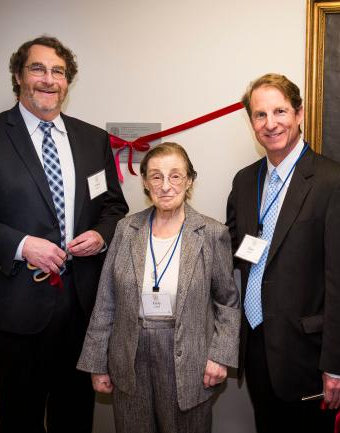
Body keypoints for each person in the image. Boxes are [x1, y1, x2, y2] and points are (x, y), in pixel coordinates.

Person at [0, 36, 128, 433]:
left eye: (58, 72)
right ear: (18, 76)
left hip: (81, 306)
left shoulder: (92, 139)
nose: (49, 80)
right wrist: (22, 245)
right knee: (20, 414)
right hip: (14, 305)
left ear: (68, 82)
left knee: (75, 412)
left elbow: (115, 207)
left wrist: (100, 234)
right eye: (38, 69)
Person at [227, 73, 340, 433]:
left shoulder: (335, 182)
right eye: (260, 115)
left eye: (280, 111)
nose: (270, 124)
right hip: (256, 344)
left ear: (299, 113)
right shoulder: (244, 181)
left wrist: (338, 364)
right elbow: (231, 252)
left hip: (308, 353)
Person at [77, 142, 240, 433]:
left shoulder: (212, 233)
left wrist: (219, 356)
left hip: (190, 359)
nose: (166, 185)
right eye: (156, 176)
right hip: (130, 358)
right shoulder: (126, 230)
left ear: (189, 180)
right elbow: (106, 300)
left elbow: (227, 302)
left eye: (175, 175)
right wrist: (97, 363)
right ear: (145, 182)